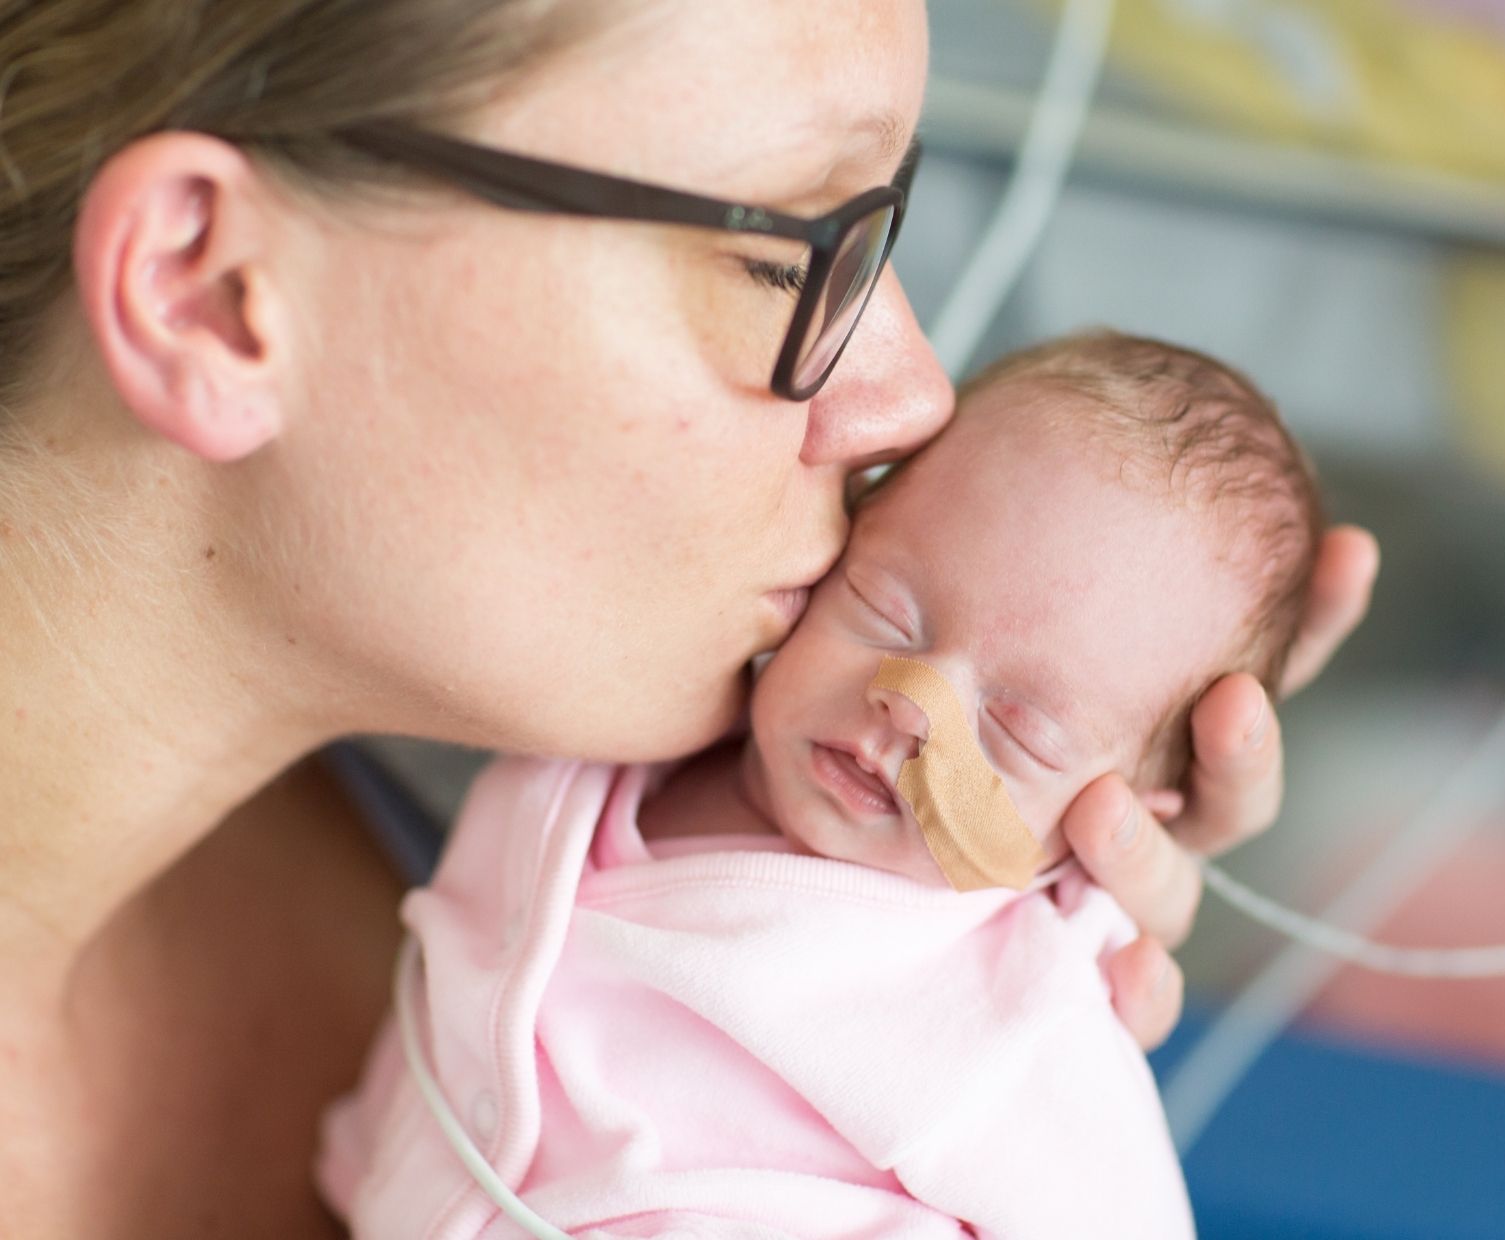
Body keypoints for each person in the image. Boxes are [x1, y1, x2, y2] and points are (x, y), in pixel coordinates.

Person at [0, 3, 1378, 1236]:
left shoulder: (488, 792)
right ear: (212, 290)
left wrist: (1011, 825)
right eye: (788, 253)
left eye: (887, 224)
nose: (911, 400)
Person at [318, 332, 1321, 1238]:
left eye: (1018, 729)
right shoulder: (605, 742)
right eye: (885, 612)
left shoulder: (1009, 1012)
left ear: (1108, 826)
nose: (911, 704)